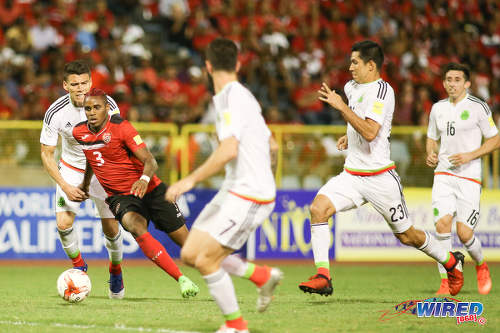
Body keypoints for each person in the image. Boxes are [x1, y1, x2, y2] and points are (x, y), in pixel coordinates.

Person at [298, 40, 466, 297]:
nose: (350, 66)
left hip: (379, 178)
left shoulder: (383, 91)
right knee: (318, 208)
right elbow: (359, 126)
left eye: (355, 62)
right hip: (352, 175)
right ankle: (323, 275)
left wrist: (341, 108)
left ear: (371, 65)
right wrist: (348, 136)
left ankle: (452, 262)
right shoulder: (350, 87)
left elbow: (370, 131)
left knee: (407, 236)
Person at [166, 38, 283, 333]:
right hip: (238, 188)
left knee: (205, 259)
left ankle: (236, 326)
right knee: (190, 253)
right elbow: (272, 145)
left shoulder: (230, 97)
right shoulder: (242, 96)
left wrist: (189, 179)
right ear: (238, 64)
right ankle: (261, 276)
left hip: (248, 193)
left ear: (207, 66)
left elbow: (229, 149)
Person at [73, 88, 199, 298]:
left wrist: (143, 179)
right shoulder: (79, 133)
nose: (92, 112)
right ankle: (181, 279)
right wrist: (85, 184)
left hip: (151, 189)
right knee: (134, 225)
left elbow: (150, 161)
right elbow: (92, 157)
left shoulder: (121, 127)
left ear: (106, 108)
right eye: (88, 109)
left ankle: (233, 271)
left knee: (190, 249)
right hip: (120, 196)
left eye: (96, 107)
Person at [40, 60, 125, 299]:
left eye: (84, 83)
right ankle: (79, 267)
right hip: (71, 169)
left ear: (91, 82)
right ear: (65, 85)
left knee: (111, 227)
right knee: (63, 224)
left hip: (102, 169)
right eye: (74, 84)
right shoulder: (55, 112)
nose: (80, 88)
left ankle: (115, 269)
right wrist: (65, 185)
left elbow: (118, 140)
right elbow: (46, 153)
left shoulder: (107, 105)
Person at [426, 63, 498, 295]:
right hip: (444, 174)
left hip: (469, 177)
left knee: (465, 234)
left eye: (457, 79)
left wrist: (470, 155)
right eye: (448, 79)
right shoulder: (437, 108)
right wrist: (430, 152)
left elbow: (494, 140)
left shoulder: (478, 107)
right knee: (441, 225)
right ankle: (446, 281)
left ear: (467, 83)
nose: (452, 83)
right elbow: (431, 137)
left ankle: (480, 264)